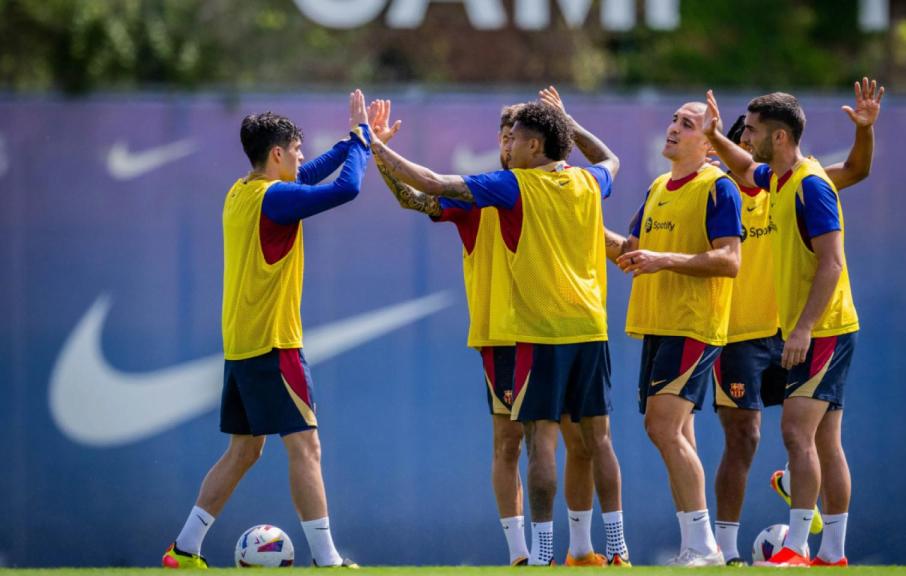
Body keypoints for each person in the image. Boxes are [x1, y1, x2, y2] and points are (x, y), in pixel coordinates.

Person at [368, 99, 631, 567]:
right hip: (514, 335)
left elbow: (429, 182)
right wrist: (384, 160)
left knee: (565, 442)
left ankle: (577, 550)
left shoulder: (517, 187)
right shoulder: (500, 190)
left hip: (539, 333)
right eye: (504, 136)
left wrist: (374, 148)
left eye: (516, 137)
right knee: (516, 443)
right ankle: (524, 554)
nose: (509, 145)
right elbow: (415, 196)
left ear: (535, 144)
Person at [161, 91, 372, 569]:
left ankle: (184, 549)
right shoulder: (276, 198)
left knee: (244, 451)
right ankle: (328, 560)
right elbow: (347, 189)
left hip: (241, 345)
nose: (301, 157)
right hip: (274, 343)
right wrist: (361, 143)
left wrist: (353, 141)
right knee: (306, 446)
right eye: (295, 150)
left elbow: (308, 176)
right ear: (277, 153)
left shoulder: (241, 191)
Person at [711, 78, 884, 566]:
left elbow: (831, 263)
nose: (747, 137)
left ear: (780, 137)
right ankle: (832, 553)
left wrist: (804, 328)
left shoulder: (811, 184)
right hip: (820, 329)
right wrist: (712, 136)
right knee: (825, 441)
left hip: (824, 329)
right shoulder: (778, 179)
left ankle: (795, 548)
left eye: (753, 129)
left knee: (795, 433)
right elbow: (745, 166)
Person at [604, 101, 742, 567]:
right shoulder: (658, 187)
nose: (674, 128)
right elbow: (632, 250)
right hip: (658, 323)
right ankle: (695, 547)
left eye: (688, 124)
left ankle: (705, 545)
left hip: (693, 324)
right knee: (677, 432)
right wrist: (578, 220)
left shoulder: (718, 186)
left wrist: (664, 260)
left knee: (661, 426)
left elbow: (730, 260)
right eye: (674, 120)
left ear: (710, 144)